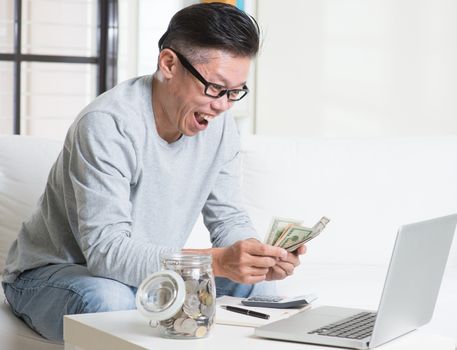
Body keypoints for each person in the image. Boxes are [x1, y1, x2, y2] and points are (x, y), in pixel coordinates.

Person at [1, 3, 306, 342]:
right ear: (169, 64)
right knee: (112, 300)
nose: (222, 105)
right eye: (215, 87)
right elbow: (107, 253)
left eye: (235, 92)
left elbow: (228, 219)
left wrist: (254, 256)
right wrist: (216, 263)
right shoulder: (107, 125)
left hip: (149, 275)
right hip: (56, 274)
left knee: (260, 288)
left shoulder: (220, 128)